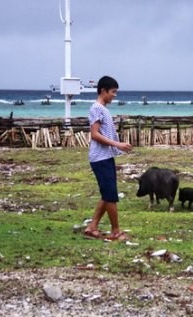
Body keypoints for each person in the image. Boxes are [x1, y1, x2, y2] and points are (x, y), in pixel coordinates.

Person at [84, 75, 133, 241]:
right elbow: (95, 134)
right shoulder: (96, 108)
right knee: (111, 195)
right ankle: (115, 231)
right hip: (100, 158)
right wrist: (117, 144)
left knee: (107, 194)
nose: (115, 95)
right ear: (103, 91)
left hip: (106, 156)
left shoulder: (103, 109)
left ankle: (92, 227)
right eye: (113, 91)